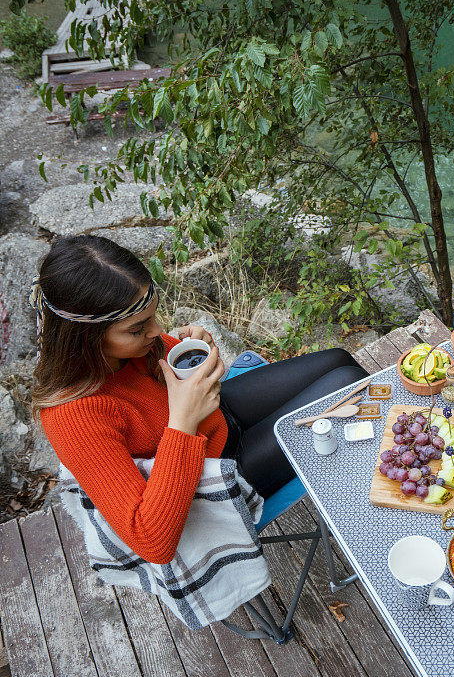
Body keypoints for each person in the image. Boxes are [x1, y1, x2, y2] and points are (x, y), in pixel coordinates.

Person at [33, 235, 367, 564]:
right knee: (349, 383)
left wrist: (188, 347)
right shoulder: (71, 415)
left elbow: (163, 363)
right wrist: (183, 422)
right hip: (214, 475)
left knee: (339, 360)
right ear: (85, 338)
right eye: (138, 329)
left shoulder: (128, 347)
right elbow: (152, 544)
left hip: (219, 419)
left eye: (154, 315)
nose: (155, 331)